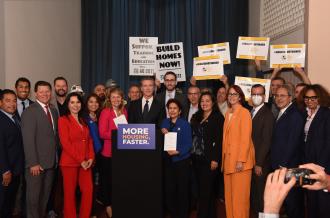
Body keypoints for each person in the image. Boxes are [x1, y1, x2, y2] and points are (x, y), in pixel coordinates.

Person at [21, 81, 59, 218]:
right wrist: (33, 163)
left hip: (50, 163)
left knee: (44, 198)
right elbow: (28, 140)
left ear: (51, 93)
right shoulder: (30, 112)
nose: (45, 94)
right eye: (41, 91)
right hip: (36, 165)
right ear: (35, 93)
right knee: (33, 200)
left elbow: (54, 137)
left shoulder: (53, 111)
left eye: (47, 91)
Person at [58, 92, 94, 218]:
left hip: (85, 162)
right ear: (67, 104)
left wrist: (90, 157)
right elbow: (65, 144)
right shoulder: (63, 120)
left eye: (78, 102)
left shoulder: (83, 121)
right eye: (72, 102)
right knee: (69, 194)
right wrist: (81, 160)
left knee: (88, 191)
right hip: (69, 163)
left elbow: (89, 140)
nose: (75, 105)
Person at [271, 84, 304, 218]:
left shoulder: (295, 115)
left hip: (289, 167)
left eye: (282, 96)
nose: (279, 98)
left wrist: (282, 164)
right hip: (282, 167)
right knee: (286, 202)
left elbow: (293, 142)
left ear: (290, 97)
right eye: (277, 95)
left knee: (293, 203)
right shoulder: (282, 112)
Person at [221, 85, 255, 218]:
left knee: (240, 201)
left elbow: (245, 139)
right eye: (230, 94)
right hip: (228, 162)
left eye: (235, 94)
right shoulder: (228, 113)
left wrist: (241, 160)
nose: (232, 97)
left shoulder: (244, 112)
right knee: (229, 200)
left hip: (240, 163)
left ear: (240, 97)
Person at [190, 91, 224, 218]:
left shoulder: (218, 118)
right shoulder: (196, 116)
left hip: (210, 161)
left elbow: (220, 141)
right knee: (203, 193)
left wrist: (215, 159)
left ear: (213, 103)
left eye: (207, 101)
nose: (204, 103)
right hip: (196, 159)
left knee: (206, 192)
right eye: (202, 101)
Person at [299, 84, 330, 218]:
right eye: (307, 98)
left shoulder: (326, 114)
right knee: (311, 200)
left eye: (313, 98)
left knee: (322, 203)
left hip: (322, 164)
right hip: (308, 162)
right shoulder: (305, 113)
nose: (310, 101)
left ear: (320, 98)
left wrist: (322, 167)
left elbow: (328, 142)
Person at [161, 99, 192, 218]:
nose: (172, 110)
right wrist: (162, 132)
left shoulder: (184, 124)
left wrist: (178, 151)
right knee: (170, 190)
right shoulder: (165, 122)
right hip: (168, 162)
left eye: (175, 108)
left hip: (181, 161)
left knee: (182, 191)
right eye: (170, 108)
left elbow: (189, 144)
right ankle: (173, 213)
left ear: (179, 111)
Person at [99, 88, 128, 218]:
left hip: (121, 153)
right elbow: (102, 133)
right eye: (113, 97)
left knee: (118, 181)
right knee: (107, 182)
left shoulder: (124, 111)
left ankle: (117, 203)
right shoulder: (106, 112)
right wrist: (117, 134)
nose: (116, 99)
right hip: (108, 153)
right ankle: (108, 206)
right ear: (109, 99)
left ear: (122, 99)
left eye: (118, 97)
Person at [250, 84, 274, 215]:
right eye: (254, 94)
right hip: (251, 161)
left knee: (261, 197)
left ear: (264, 97)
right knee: (254, 195)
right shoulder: (251, 112)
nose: (256, 97)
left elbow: (266, 141)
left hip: (261, 163)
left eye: (259, 94)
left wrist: (259, 163)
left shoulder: (267, 114)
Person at [0, 89, 24, 218]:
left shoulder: (14, 118)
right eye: (7, 101)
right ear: (0, 103)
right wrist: (5, 171)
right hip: (6, 173)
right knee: (3, 204)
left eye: (14, 100)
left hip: (15, 170)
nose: (12, 104)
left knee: (9, 204)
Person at [84, 93, 103, 218]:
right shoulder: (84, 118)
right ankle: (88, 212)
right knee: (88, 186)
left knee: (95, 185)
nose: (93, 104)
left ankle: (92, 211)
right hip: (89, 156)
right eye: (91, 102)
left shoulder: (99, 116)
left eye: (96, 102)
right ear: (86, 104)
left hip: (99, 155)